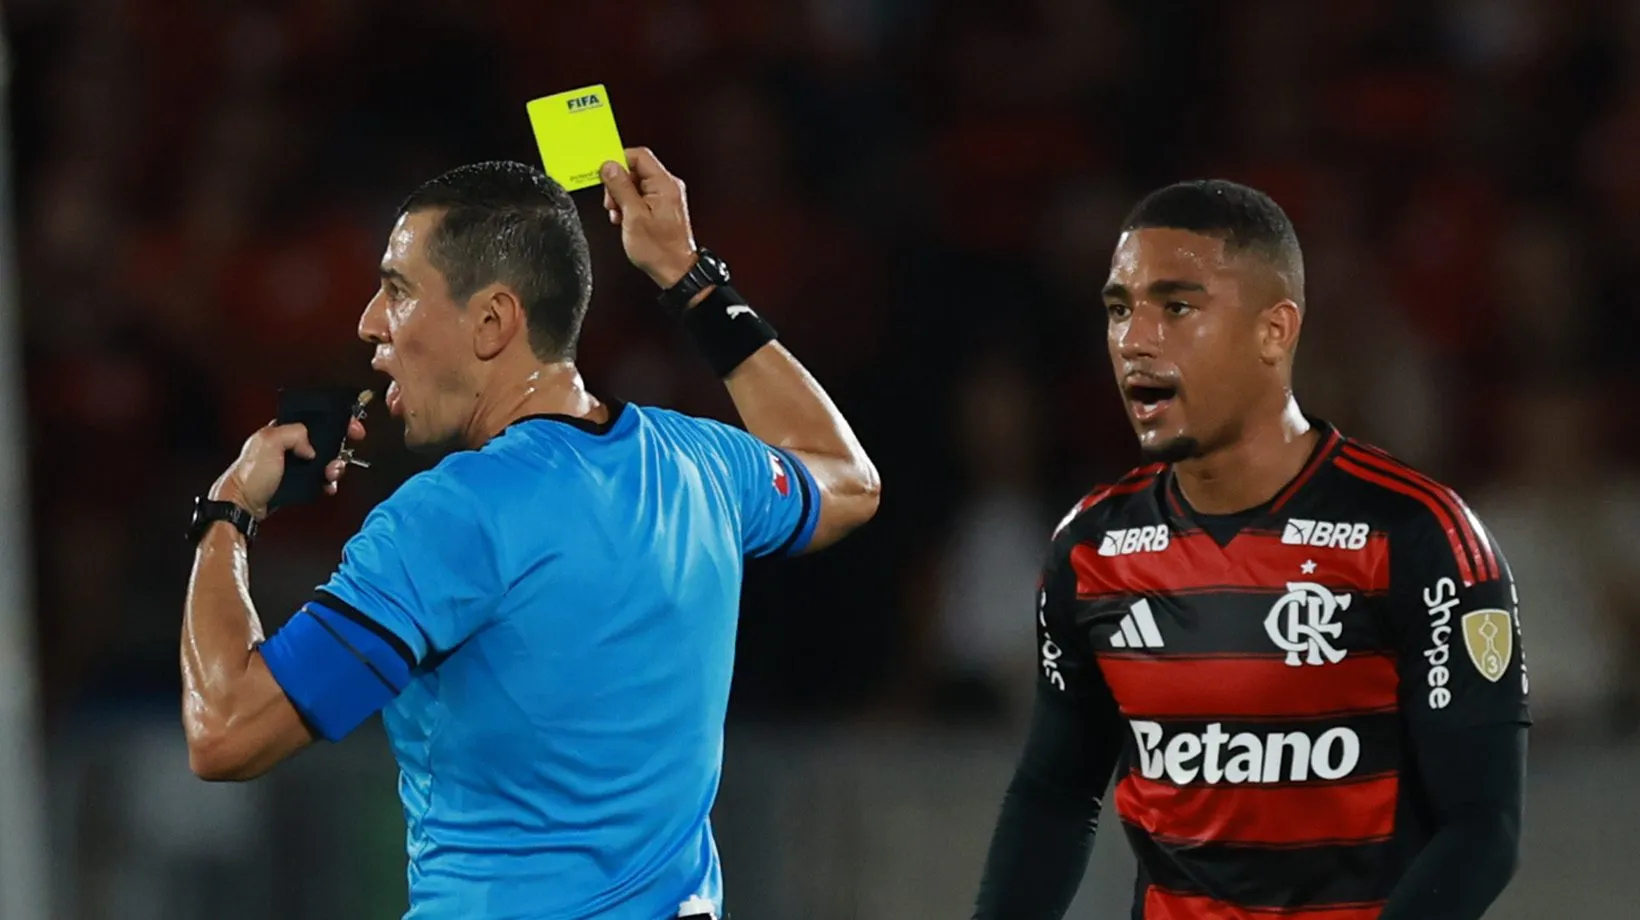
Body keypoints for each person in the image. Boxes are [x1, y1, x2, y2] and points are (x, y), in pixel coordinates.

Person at [179, 148, 881, 919]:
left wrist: (228, 513)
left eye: (398, 290)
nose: (369, 322)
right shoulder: (699, 466)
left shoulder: (453, 518)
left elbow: (226, 731)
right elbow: (845, 479)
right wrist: (690, 277)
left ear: (491, 322)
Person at [972, 180, 1527, 920]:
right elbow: (1054, 797)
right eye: (1118, 309)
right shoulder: (1091, 550)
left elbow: (1482, 829)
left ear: (1275, 331)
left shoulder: (1418, 535)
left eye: (1175, 306)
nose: (1135, 339)